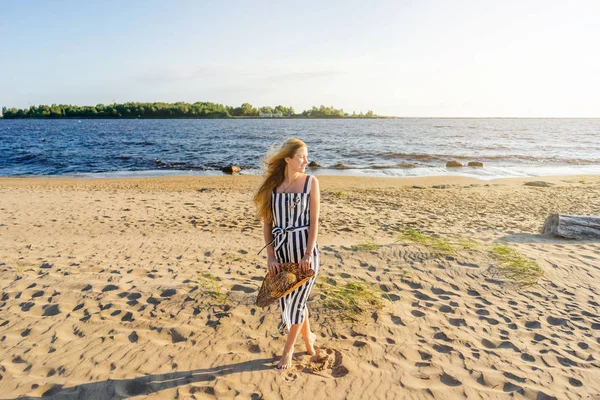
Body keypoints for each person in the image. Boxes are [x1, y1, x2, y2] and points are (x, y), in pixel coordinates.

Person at [253, 138, 321, 370]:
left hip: (304, 251)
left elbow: (314, 222)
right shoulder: (271, 187)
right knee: (289, 299)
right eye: (301, 156)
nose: (306, 160)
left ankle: (288, 350)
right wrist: (271, 256)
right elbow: (267, 224)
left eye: (306, 156)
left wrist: (309, 253)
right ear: (288, 159)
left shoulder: (311, 182)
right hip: (281, 252)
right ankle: (308, 337)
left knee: (298, 300)